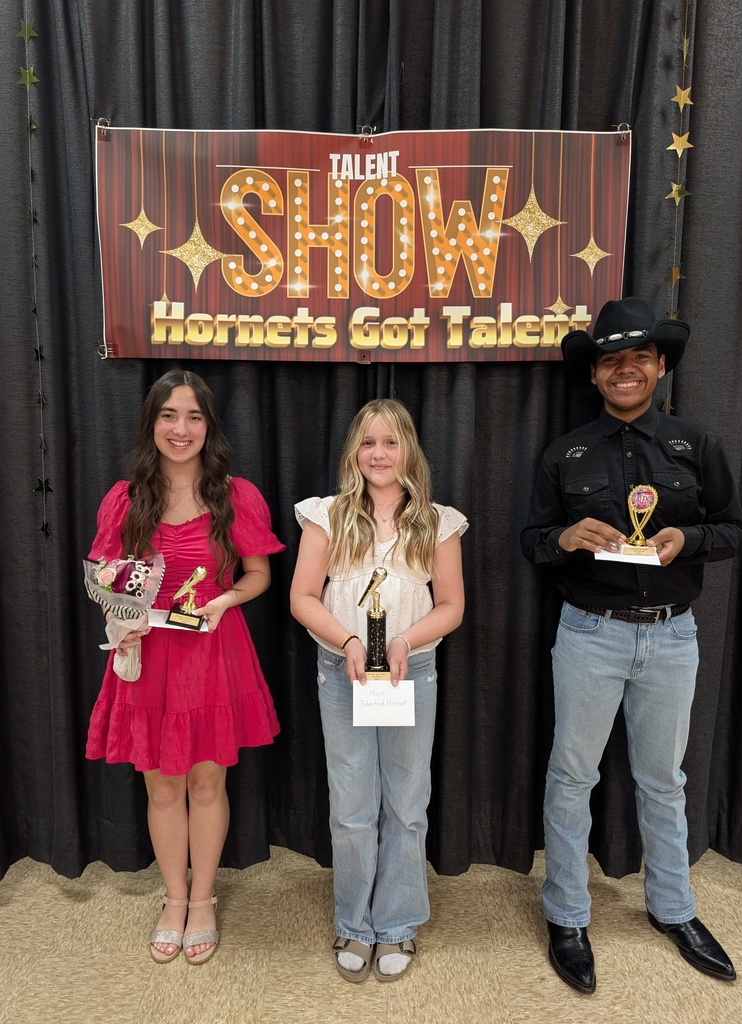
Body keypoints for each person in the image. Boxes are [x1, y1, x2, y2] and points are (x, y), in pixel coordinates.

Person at [520, 297, 742, 994]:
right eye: (609, 359)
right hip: (588, 633)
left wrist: (690, 540)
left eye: (638, 358)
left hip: (672, 633)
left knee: (664, 781)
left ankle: (673, 909)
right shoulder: (565, 455)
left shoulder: (695, 443)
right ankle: (565, 915)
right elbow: (531, 542)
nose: (624, 370)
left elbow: (734, 530)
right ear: (593, 374)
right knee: (570, 779)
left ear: (659, 366)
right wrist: (563, 537)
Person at [85, 369, 285, 965]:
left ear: (209, 426)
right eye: (169, 415)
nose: (181, 428)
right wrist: (124, 605)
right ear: (152, 423)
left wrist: (225, 601)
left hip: (213, 655)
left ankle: (203, 902)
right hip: (146, 658)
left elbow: (259, 575)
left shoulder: (236, 494)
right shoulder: (124, 497)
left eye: (193, 416)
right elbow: (101, 575)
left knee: (206, 781)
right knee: (163, 784)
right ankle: (173, 900)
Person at [290, 398, 466, 983]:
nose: (379, 454)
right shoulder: (326, 516)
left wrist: (405, 642)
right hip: (342, 675)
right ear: (354, 452)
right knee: (353, 808)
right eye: (368, 443)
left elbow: (451, 607)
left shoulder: (439, 521)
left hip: (410, 673)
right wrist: (347, 643)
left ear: (408, 449)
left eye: (391, 442)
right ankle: (354, 922)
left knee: (407, 804)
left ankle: (397, 923)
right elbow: (303, 598)